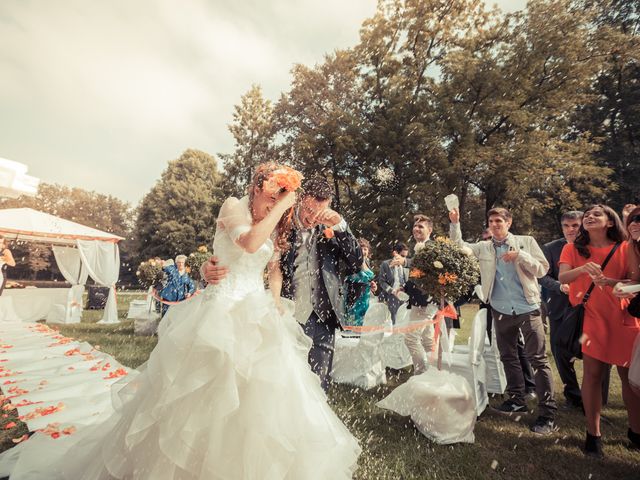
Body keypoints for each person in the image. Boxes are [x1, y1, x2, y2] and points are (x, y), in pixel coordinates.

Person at [0, 162, 361, 478]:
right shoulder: (234, 205)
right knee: (204, 391)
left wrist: (275, 299)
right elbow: (249, 244)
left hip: (257, 310)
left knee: (264, 397)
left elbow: (272, 267)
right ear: (257, 188)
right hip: (221, 311)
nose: (275, 207)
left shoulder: (275, 222)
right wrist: (212, 265)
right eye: (271, 198)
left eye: (279, 201)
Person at [203, 175, 363, 393]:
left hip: (324, 316)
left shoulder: (333, 230)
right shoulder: (277, 221)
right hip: (288, 313)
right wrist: (207, 266)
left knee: (320, 386)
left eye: (319, 212)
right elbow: (242, 247)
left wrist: (341, 224)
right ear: (300, 200)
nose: (313, 217)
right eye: (309, 210)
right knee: (285, 385)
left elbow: (356, 262)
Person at [449, 207, 558, 435]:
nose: (495, 224)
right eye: (491, 221)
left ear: (509, 222)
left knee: (538, 359)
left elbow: (542, 269)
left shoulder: (526, 241)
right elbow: (460, 248)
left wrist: (520, 255)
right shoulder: (485, 247)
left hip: (528, 308)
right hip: (500, 309)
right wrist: (455, 223)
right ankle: (517, 399)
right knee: (508, 356)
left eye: (499, 220)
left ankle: (547, 414)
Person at [559, 204, 640, 456]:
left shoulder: (627, 248)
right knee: (592, 377)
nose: (589, 217)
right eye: (587, 215)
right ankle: (593, 436)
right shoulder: (571, 248)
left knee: (631, 382)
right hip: (592, 320)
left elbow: (636, 282)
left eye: (597, 214)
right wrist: (583, 269)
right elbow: (562, 278)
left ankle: (636, 432)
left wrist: (612, 282)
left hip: (624, 319)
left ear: (610, 222)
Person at [539, 211, 585, 409]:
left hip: (587, 308)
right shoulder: (550, 248)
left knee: (595, 353)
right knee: (560, 352)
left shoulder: (592, 246)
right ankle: (573, 395)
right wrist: (559, 285)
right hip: (559, 307)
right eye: (566, 225)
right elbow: (542, 275)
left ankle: (598, 397)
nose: (570, 229)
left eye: (575, 225)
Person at [343, 238, 377, 327]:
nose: (363, 251)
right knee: (353, 320)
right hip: (354, 296)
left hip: (365, 297)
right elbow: (350, 277)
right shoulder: (352, 263)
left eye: (365, 249)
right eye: (360, 249)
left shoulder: (367, 262)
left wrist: (373, 285)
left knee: (363, 320)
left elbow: (369, 279)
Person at [378, 242, 410, 323]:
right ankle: (395, 332)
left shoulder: (406, 265)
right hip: (391, 295)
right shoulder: (386, 264)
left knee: (405, 319)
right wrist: (392, 291)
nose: (404, 259)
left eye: (406, 257)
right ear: (395, 253)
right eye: (402, 256)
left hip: (405, 295)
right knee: (395, 318)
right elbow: (382, 281)